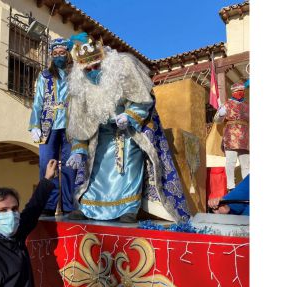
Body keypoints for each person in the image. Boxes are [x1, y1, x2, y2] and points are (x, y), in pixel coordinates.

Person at [65, 36, 189, 223]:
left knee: (129, 167)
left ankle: (128, 209)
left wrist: (129, 115)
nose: (92, 72)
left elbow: (143, 99)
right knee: (95, 171)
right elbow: (80, 124)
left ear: (104, 62)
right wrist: (77, 150)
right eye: (87, 70)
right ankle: (89, 209)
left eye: (96, 66)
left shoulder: (123, 68)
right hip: (100, 138)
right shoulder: (80, 88)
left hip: (127, 132)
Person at [29, 37, 76, 216]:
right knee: (46, 165)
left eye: (61, 53)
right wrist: (34, 124)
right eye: (55, 54)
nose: (58, 56)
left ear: (67, 54)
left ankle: (69, 206)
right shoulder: (44, 75)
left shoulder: (76, 75)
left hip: (71, 124)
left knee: (70, 166)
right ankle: (48, 206)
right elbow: (38, 101)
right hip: (48, 124)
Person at [214, 81, 249, 191]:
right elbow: (216, 121)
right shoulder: (226, 104)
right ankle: (231, 186)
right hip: (231, 136)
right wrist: (220, 114)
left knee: (246, 164)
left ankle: (247, 186)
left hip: (245, 137)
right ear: (233, 92)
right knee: (231, 161)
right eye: (237, 91)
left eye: (242, 91)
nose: (240, 93)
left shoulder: (248, 105)